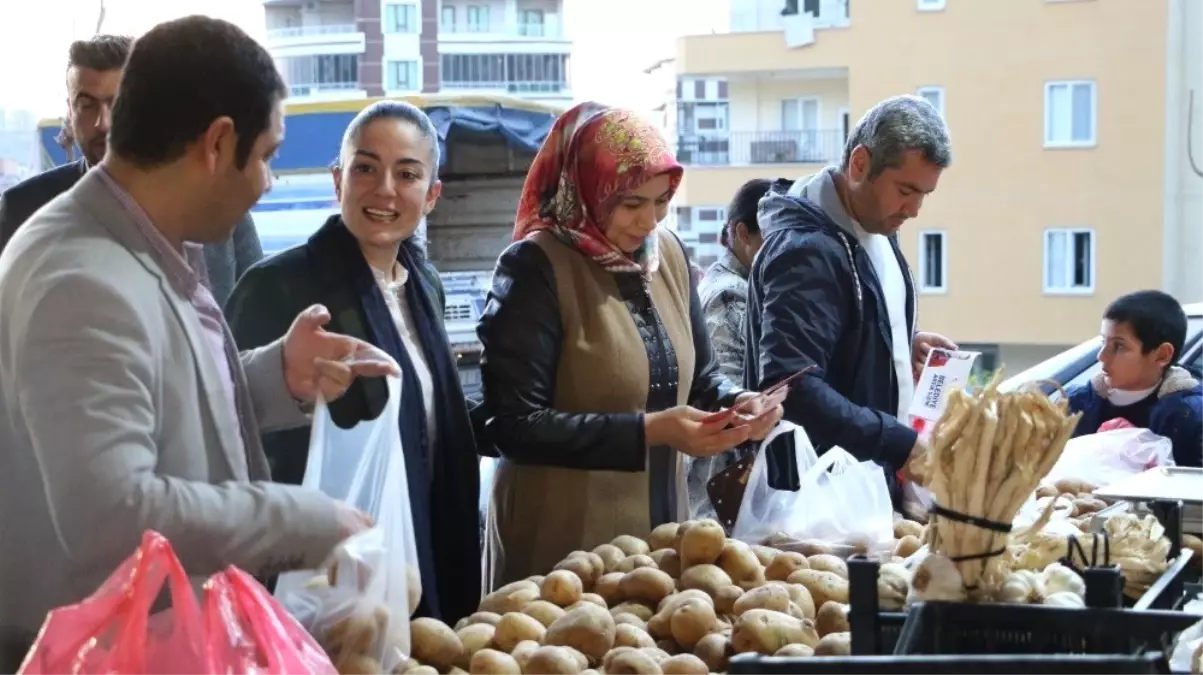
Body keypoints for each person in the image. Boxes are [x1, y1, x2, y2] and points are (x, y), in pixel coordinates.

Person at [0, 16, 393, 668]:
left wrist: (274, 376)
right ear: (217, 143)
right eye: (266, 156)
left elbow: (143, 391)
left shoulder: (133, 239)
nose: (268, 181)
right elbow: (115, 516)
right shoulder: (80, 275)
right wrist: (303, 520)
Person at [477, 102, 783, 588]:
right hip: (561, 541)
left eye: (660, 200)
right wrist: (651, 431)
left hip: (660, 531)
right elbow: (512, 425)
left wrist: (735, 402)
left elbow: (700, 376)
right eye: (631, 203)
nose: (648, 221)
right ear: (588, 190)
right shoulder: (535, 267)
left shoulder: (670, 257)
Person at [225, 100, 482, 623]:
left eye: (407, 174)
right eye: (365, 168)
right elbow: (230, 436)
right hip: (322, 572)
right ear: (337, 180)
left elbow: (430, 424)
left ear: (431, 195)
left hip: (422, 548)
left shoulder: (423, 284)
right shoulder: (277, 286)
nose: (385, 189)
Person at [745, 95, 956, 498]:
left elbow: (839, 327)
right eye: (906, 190)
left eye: (924, 194)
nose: (913, 210)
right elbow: (793, 385)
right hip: (817, 499)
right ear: (859, 164)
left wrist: (897, 344)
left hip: (864, 486)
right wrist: (895, 443)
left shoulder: (874, 222)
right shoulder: (805, 249)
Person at [0, 34, 263, 306]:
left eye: (118, 103)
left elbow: (256, 320)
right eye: (87, 105)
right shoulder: (23, 210)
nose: (103, 123)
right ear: (70, 111)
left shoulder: (221, 204)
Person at [1065, 290, 1203, 467]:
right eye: (1103, 342)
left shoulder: (1190, 418)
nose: (1101, 356)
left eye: (1119, 346)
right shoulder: (1075, 405)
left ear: (1162, 355)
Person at [699, 178, 792, 382]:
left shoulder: (726, 280)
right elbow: (728, 390)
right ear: (743, 234)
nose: (785, 248)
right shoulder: (730, 295)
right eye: (775, 237)